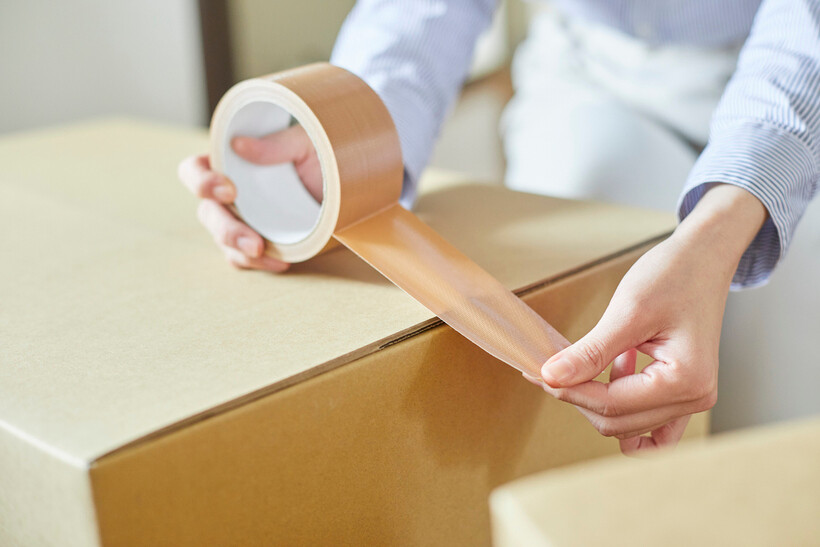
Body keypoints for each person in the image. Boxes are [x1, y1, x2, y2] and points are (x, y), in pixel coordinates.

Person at [178, 0, 820, 455]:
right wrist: (347, 143)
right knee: (575, 309)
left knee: (778, 400)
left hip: (795, 69)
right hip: (593, 63)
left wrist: (725, 222)